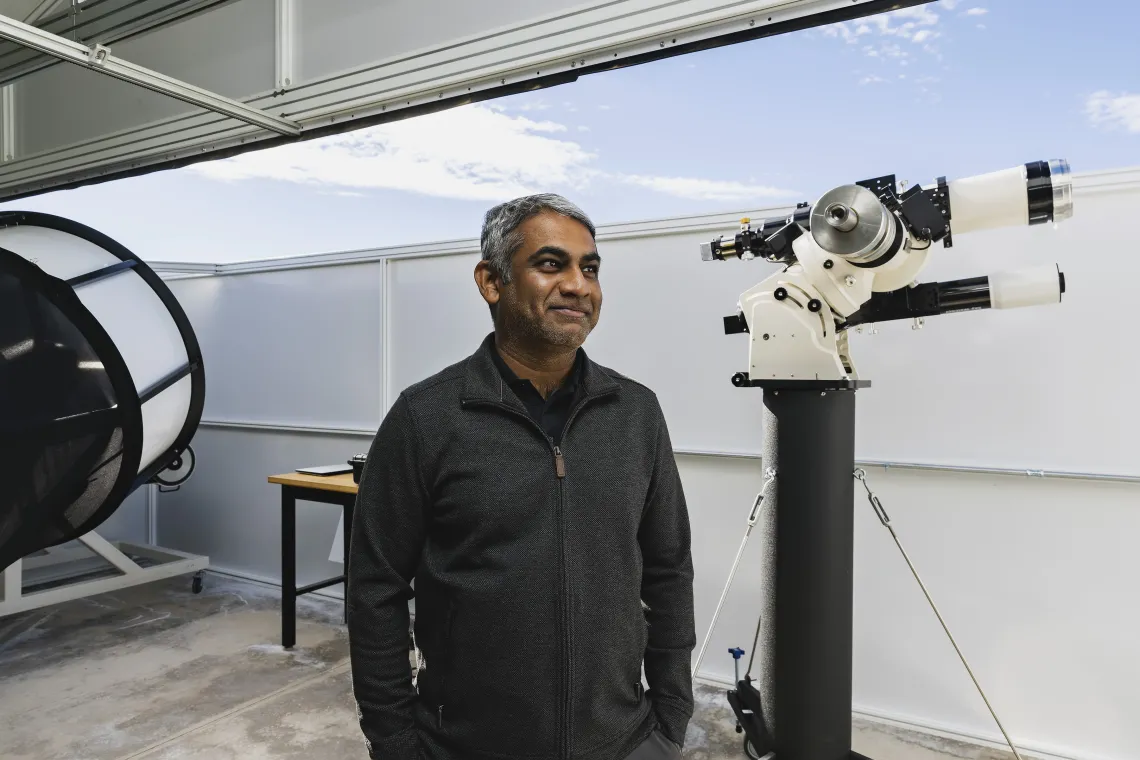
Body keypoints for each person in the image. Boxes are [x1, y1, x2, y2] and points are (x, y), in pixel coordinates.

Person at [347, 193, 696, 760]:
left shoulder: (636, 413)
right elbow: (375, 589)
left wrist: (670, 718)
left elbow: (668, 569)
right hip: (462, 746)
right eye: (551, 264)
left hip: (624, 742)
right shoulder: (427, 417)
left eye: (590, 268)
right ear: (492, 281)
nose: (578, 285)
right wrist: (396, 743)